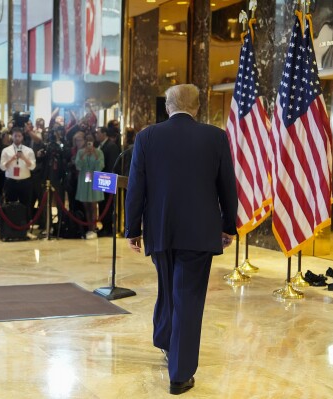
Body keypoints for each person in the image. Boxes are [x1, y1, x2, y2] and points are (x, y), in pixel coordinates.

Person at [124, 84, 238, 395]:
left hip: (160, 229)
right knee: (187, 296)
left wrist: (132, 228)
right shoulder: (215, 137)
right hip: (199, 231)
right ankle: (180, 373)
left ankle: (165, 341)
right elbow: (228, 185)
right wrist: (229, 224)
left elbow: (136, 188)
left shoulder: (147, 136)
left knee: (167, 286)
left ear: (167, 107)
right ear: (198, 107)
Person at [75, 133, 104, 240]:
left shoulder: (99, 152)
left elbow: (100, 166)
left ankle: (93, 227)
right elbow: (78, 166)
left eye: (91, 142)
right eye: (87, 142)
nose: (89, 145)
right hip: (84, 179)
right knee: (86, 205)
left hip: (94, 179)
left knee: (93, 205)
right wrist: (83, 156)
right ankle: (88, 228)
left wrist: (95, 156)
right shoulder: (80, 152)